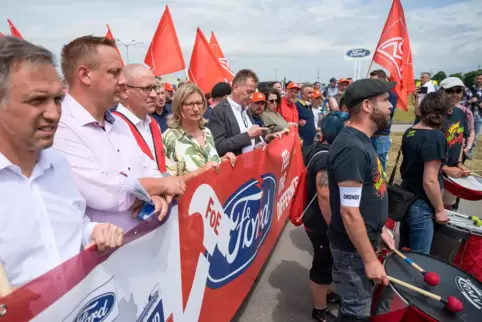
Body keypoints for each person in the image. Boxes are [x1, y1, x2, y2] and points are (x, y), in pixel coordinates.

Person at [0, 36, 124, 287]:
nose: (54, 113)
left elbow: (74, 226)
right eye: (37, 100)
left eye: (57, 99)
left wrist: (93, 231)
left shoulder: (59, 166)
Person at [54, 36, 185, 231]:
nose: (123, 81)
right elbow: (107, 193)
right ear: (85, 75)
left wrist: (154, 191)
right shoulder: (61, 128)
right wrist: (159, 187)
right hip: (105, 257)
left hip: (145, 244)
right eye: (114, 72)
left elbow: (148, 167)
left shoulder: (118, 123)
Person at [327, 79, 395, 321]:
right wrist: (369, 260)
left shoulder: (362, 141)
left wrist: (379, 229)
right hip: (353, 252)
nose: (391, 106)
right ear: (367, 105)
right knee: (356, 313)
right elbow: (349, 212)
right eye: (385, 100)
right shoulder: (352, 149)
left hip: (364, 241)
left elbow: (368, 193)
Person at [303, 113, 347, 322]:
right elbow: (324, 195)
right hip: (320, 222)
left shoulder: (325, 150)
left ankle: (326, 293)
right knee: (323, 262)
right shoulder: (325, 156)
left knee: (328, 261)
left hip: (321, 220)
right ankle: (319, 308)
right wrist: (334, 227)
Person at [399, 92, 450, 254]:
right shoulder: (435, 137)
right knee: (420, 258)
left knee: (404, 253)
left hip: (406, 199)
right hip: (422, 204)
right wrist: (440, 209)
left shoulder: (411, 131)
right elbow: (429, 180)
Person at [163, 83, 236, 178]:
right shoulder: (170, 137)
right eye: (189, 104)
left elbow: (209, 164)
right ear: (179, 107)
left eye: (199, 103)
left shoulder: (207, 132)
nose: (196, 109)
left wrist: (222, 160)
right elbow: (168, 182)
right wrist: (199, 172)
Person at [114, 64, 166, 172]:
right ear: (124, 91)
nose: (154, 95)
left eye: (154, 88)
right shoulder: (113, 127)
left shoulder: (153, 124)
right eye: (146, 88)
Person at [207, 69, 268, 156]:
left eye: (253, 93)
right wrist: (247, 136)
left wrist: (262, 142)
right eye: (249, 92)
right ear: (235, 88)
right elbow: (218, 146)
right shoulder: (219, 111)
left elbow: (251, 142)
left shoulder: (246, 110)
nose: (251, 97)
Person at [438, 77, 471, 210]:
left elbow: (459, 140)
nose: (455, 94)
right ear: (441, 92)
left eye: (458, 90)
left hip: (452, 172)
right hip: (435, 172)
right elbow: (425, 148)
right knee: (433, 210)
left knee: (448, 209)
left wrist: (459, 164)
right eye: (450, 90)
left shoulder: (459, 113)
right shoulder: (434, 115)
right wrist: (445, 168)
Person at [369, 70, 398, 172]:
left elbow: (384, 114)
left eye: (373, 81)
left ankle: (381, 187)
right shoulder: (371, 94)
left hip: (380, 137)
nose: (370, 83)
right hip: (369, 135)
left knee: (379, 168)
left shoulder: (390, 96)